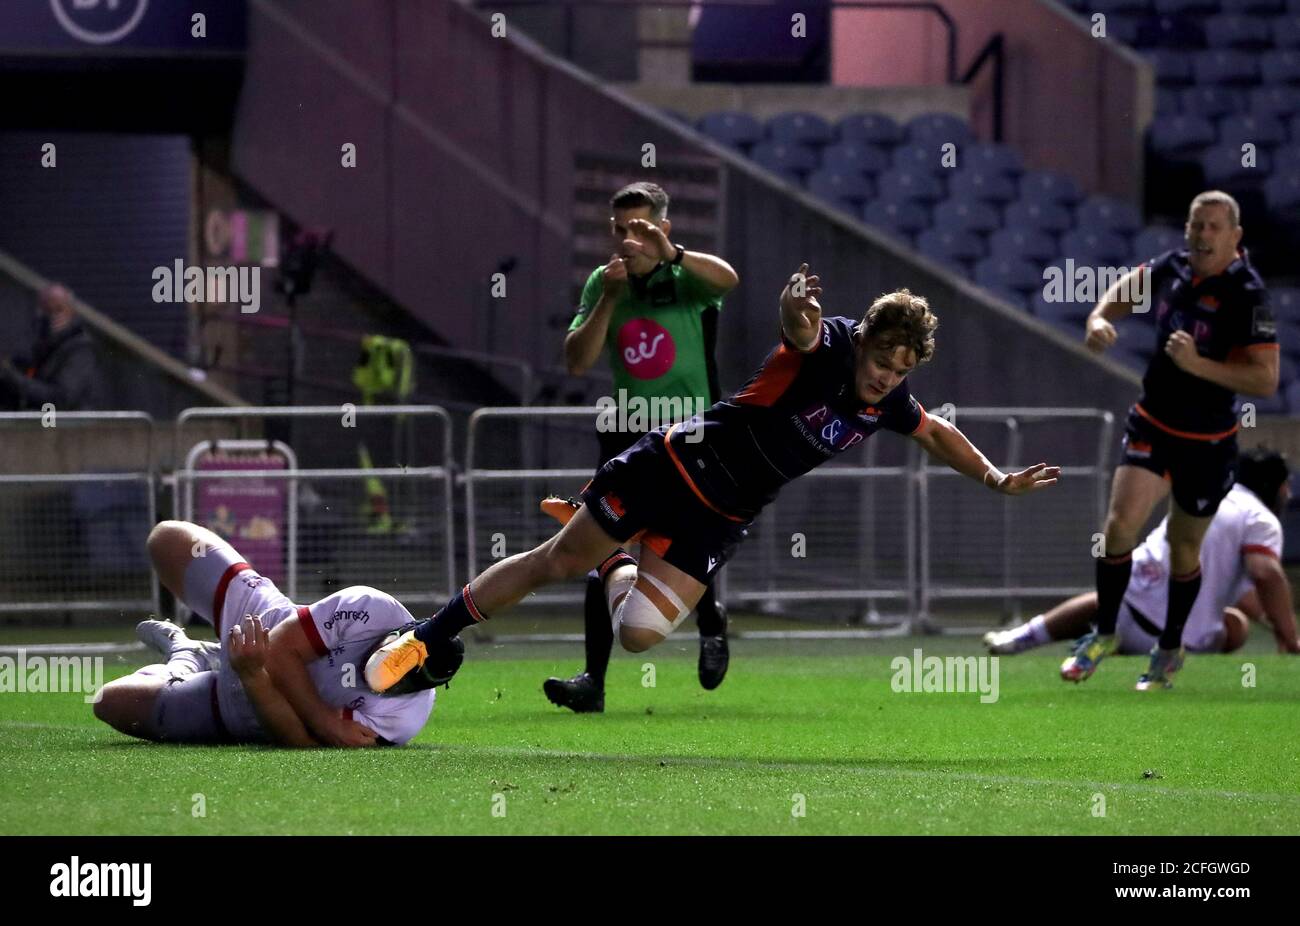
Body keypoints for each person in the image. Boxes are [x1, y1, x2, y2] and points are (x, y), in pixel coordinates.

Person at [364, 263, 1061, 694]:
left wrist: (998, 479)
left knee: (639, 635)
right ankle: (424, 636)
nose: (885, 374)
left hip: (724, 513)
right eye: (882, 358)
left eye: (901, 368)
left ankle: (614, 561)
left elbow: (937, 432)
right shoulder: (831, 346)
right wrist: (794, 306)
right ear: (866, 340)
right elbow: (800, 328)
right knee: (553, 561)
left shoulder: (889, 401)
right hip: (677, 463)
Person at [1062, 191, 1280, 690]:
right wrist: (1098, 319)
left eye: (1213, 227)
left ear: (1234, 236)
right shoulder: (1173, 267)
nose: (1202, 235)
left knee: (1184, 549)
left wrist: (1198, 365)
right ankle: (1104, 634)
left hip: (1207, 442)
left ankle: (1170, 647)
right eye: (1195, 225)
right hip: (1153, 423)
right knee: (1119, 526)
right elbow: (1122, 292)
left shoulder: (1248, 293)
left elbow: (1265, 380)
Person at [545, 180, 738, 712]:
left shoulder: (686, 278)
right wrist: (608, 297)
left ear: (662, 228)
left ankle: (712, 618)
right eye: (620, 228)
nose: (629, 238)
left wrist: (671, 254)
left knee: (689, 540)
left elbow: (730, 278)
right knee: (599, 543)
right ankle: (593, 681)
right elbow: (577, 360)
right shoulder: (604, 284)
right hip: (629, 431)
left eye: (641, 227)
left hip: (691, 432)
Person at [92, 520, 444, 747]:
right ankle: (217, 651)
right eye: (396, 658)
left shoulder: (403, 718)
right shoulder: (374, 606)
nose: (389, 672)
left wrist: (253, 676)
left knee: (109, 701)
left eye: (400, 679)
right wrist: (323, 719)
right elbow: (278, 651)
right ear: (399, 634)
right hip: (261, 621)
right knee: (166, 538)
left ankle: (186, 657)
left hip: (242, 707)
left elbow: (298, 740)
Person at [986, 447, 1299, 657]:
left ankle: (1024, 637)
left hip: (1126, 615)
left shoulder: (1208, 498)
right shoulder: (1261, 518)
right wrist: (1290, 636)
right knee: (1235, 626)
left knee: (1104, 599)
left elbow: (1236, 590)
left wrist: (1271, 619)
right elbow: (1266, 573)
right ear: (1276, 485)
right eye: (1287, 486)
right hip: (1182, 642)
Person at [0, 284, 101, 411]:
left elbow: (60, 399)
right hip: (43, 425)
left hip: (69, 427)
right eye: (46, 310)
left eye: (59, 309)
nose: (52, 317)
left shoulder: (80, 350)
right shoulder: (38, 348)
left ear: (71, 312)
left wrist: (10, 376)